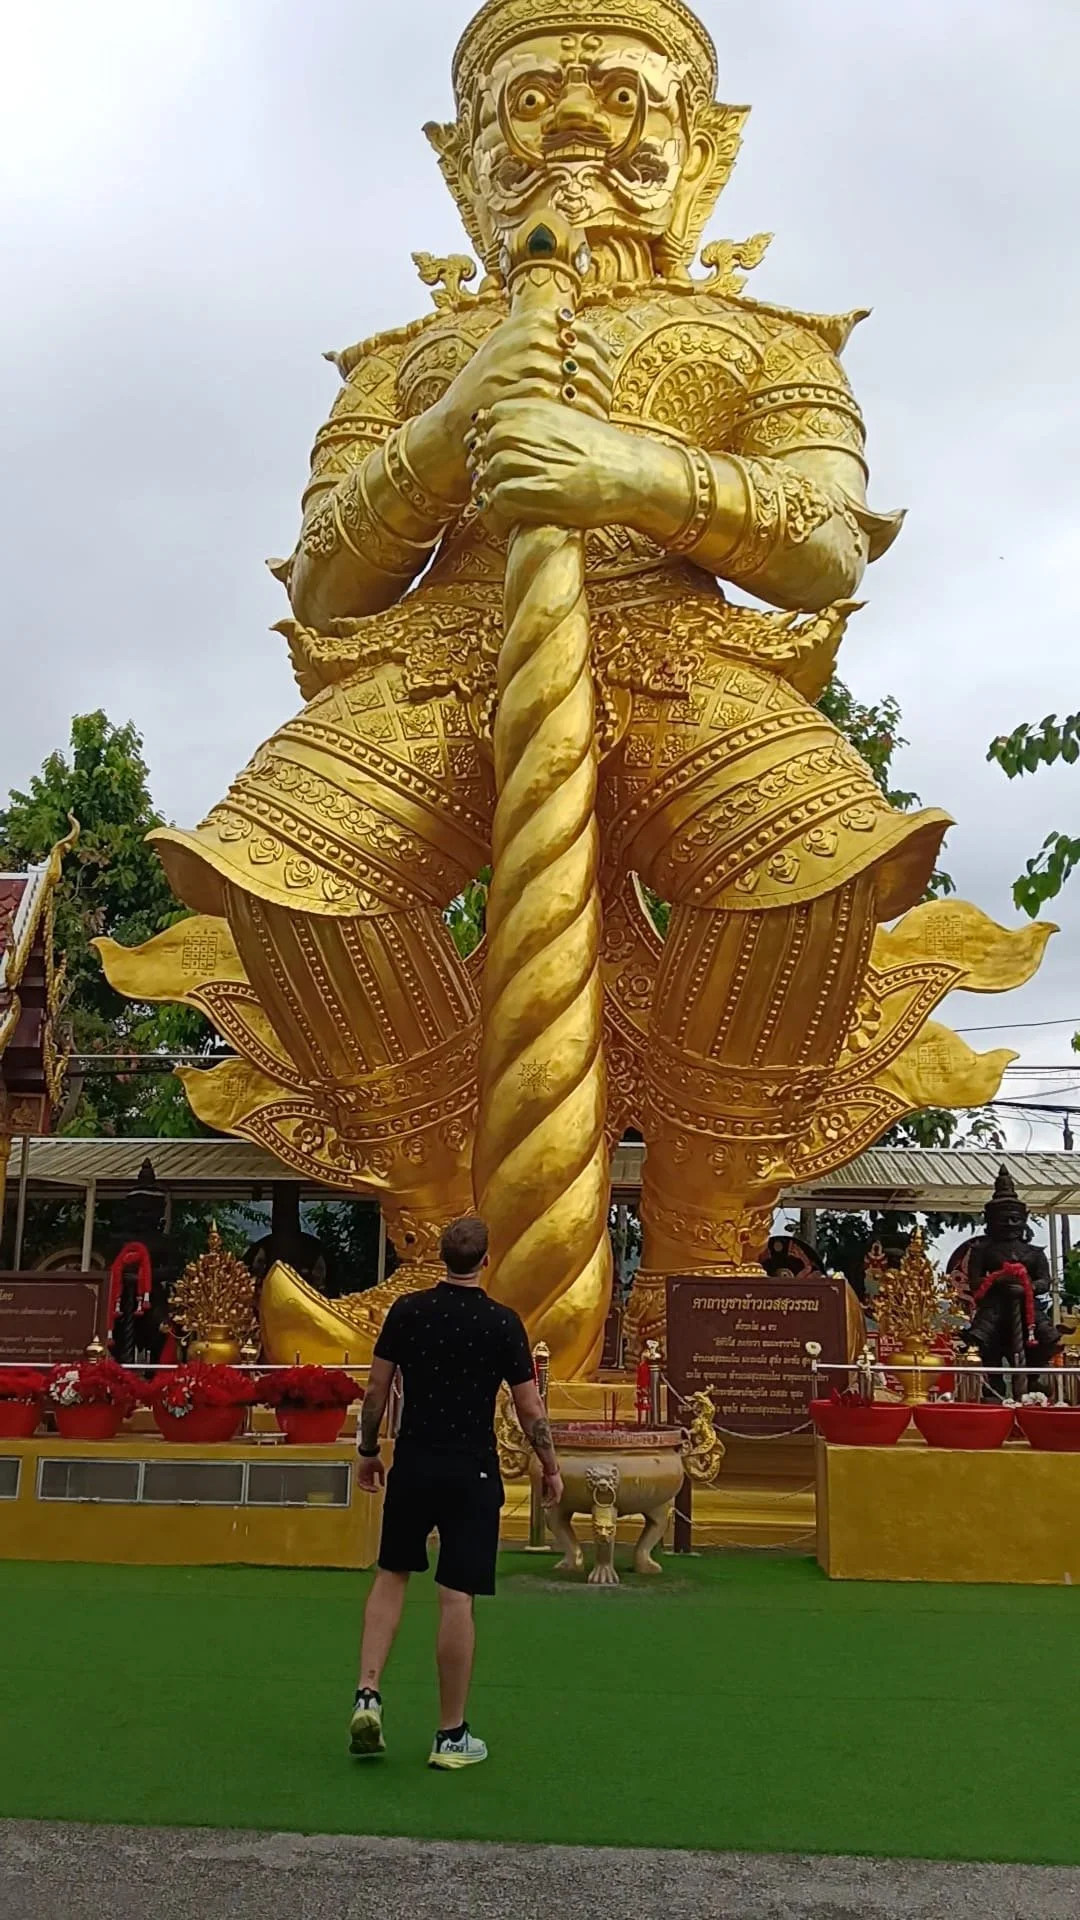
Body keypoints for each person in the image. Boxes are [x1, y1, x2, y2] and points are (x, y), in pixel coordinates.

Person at [350, 1215, 562, 1769]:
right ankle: (450, 1734)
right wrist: (550, 1465)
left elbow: (376, 1390)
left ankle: (368, 1692)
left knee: (391, 1575)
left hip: (414, 1462)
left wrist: (368, 1449)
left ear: (440, 1258)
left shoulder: (408, 1312)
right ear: (486, 1262)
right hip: (471, 1470)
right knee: (455, 1596)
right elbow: (529, 1408)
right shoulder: (502, 1323)